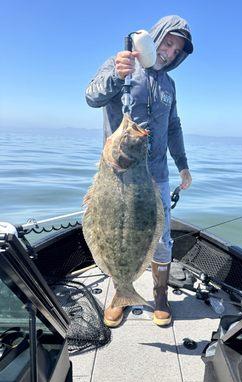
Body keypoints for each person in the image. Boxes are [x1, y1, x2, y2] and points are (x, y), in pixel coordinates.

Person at [85, 15, 193, 327]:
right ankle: (119, 292)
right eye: (168, 42)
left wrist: (183, 166)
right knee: (112, 233)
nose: (170, 52)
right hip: (117, 176)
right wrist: (117, 77)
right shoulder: (120, 63)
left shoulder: (169, 85)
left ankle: (159, 296)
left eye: (177, 50)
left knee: (161, 240)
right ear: (155, 37)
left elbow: (173, 127)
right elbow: (92, 97)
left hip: (156, 176)